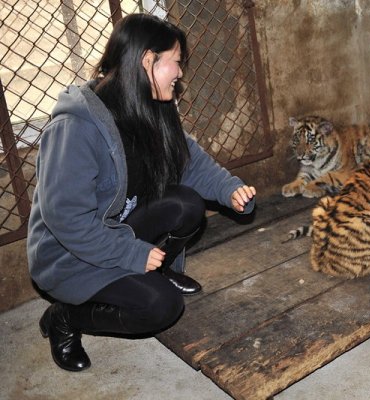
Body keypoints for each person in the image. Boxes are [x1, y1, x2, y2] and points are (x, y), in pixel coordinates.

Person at [27, 13, 256, 372]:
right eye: (176, 62)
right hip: (71, 256)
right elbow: (67, 220)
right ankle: (66, 317)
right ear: (147, 60)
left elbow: (188, 160)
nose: (180, 73)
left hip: (118, 228)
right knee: (160, 308)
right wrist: (130, 253)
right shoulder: (75, 128)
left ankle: (155, 269)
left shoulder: (151, 104)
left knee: (187, 205)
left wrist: (230, 189)